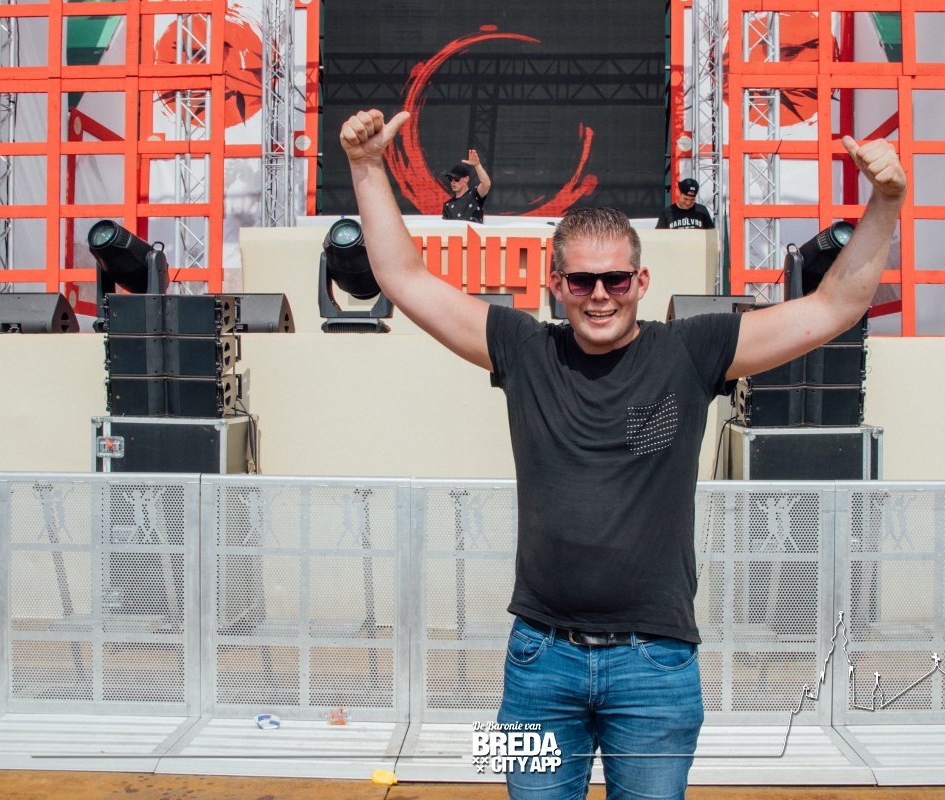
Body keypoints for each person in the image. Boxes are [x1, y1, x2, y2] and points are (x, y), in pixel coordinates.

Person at [340, 108, 905, 799]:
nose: (599, 295)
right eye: (581, 281)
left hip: (658, 666)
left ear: (641, 281)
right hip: (536, 663)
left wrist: (886, 201)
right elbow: (403, 279)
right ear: (556, 285)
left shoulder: (692, 351)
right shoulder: (524, 349)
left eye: (615, 279)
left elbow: (836, 306)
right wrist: (366, 167)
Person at [442, 149, 492, 222]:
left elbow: (486, 184)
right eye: (450, 179)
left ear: (466, 179)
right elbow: (446, 226)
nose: (453, 182)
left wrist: (477, 165)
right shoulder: (448, 204)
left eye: (456, 179)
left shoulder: (474, 194)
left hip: (473, 229)